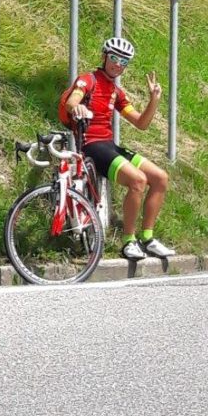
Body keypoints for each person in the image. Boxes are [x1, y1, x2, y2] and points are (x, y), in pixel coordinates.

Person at [61, 36, 175, 261]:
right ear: (104, 57)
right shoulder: (88, 80)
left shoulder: (116, 91)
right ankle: (128, 241)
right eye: (114, 58)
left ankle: (148, 239)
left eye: (124, 62)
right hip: (91, 146)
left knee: (160, 178)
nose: (118, 64)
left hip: (109, 146)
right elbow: (72, 100)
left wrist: (154, 100)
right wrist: (78, 108)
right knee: (138, 181)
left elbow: (141, 124)